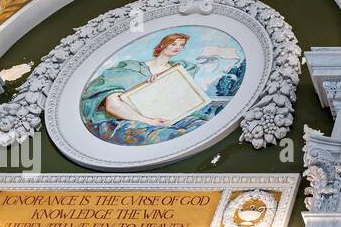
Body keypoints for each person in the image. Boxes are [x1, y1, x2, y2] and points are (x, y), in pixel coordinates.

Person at [81, 32, 234, 145]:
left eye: (181, 46)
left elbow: (182, 100)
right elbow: (113, 105)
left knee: (198, 126)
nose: (177, 48)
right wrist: (148, 119)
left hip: (172, 117)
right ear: (162, 45)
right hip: (135, 120)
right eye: (174, 44)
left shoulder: (179, 70)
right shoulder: (131, 69)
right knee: (165, 136)